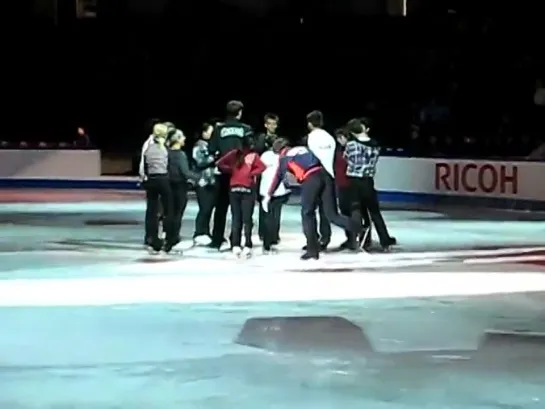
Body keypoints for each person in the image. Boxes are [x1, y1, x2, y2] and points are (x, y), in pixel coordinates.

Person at [302, 110, 362, 259]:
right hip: (329, 176)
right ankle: (357, 226)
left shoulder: (310, 138)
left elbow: (310, 158)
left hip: (314, 175)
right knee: (331, 214)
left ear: (309, 124)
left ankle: (312, 249)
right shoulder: (329, 138)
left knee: (308, 212)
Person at [344, 118, 396, 252]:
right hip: (368, 181)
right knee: (375, 213)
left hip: (355, 180)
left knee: (356, 210)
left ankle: (358, 239)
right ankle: (385, 241)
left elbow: (347, 158)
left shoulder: (351, 145)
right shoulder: (375, 145)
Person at [208, 100, 253, 250]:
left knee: (220, 207)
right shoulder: (245, 128)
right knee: (239, 208)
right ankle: (237, 240)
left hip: (223, 172)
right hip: (239, 173)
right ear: (239, 113)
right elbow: (250, 148)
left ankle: (216, 239)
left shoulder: (218, 128)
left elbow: (211, 148)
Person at [217, 147, 266, 258]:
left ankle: (235, 245)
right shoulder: (253, 156)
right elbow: (263, 167)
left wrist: (231, 170)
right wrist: (251, 173)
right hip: (247, 189)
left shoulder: (233, 153)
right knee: (247, 219)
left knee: (236, 218)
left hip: (234, 188)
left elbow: (219, 163)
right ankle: (247, 244)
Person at [334, 128, 372, 250]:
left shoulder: (353, 149)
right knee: (345, 212)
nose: (339, 140)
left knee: (357, 212)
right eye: (338, 138)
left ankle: (364, 238)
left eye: (341, 137)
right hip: (341, 185)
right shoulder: (338, 150)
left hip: (352, 184)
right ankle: (350, 238)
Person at [165, 129, 201, 253]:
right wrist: (198, 177)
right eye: (182, 137)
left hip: (168, 185)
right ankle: (173, 238)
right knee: (177, 214)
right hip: (179, 186)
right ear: (177, 140)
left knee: (169, 213)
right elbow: (185, 172)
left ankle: (169, 237)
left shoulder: (166, 153)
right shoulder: (180, 155)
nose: (184, 138)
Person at [142, 123, 173, 252]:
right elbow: (168, 165)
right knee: (169, 209)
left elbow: (144, 164)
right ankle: (170, 238)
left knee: (152, 210)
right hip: (163, 179)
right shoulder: (164, 148)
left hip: (151, 180)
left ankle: (152, 238)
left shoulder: (149, 148)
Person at [259, 138, 291, 253]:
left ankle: (266, 238)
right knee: (274, 216)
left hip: (266, 190)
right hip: (277, 190)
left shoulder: (264, 155)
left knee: (268, 215)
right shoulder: (284, 158)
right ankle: (272, 238)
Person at [254, 113, 280, 241]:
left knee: (276, 205)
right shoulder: (260, 138)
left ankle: (274, 233)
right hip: (262, 174)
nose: (272, 126)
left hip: (275, 174)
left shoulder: (279, 140)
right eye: (269, 123)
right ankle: (263, 232)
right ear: (265, 125)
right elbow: (257, 152)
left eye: (274, 124)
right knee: (263, 202)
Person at [191, 122, 217, 246]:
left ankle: (206, 231)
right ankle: (199, 232)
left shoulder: (210, 145)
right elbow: (200, 162)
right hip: (202, 182)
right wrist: (214, 158)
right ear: (204, 132)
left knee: (209, 208)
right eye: (210, 131)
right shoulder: (199, 146)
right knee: (204, 208)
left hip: (211, 181)